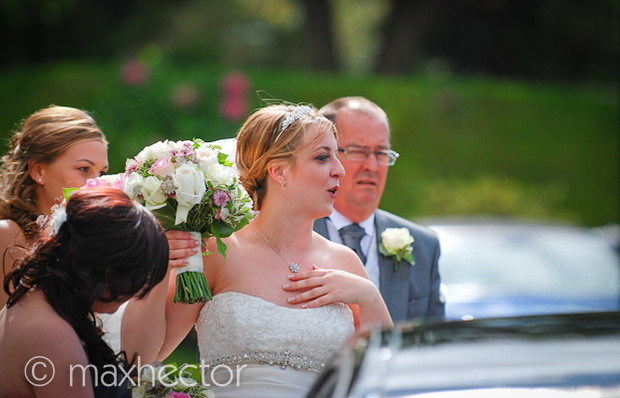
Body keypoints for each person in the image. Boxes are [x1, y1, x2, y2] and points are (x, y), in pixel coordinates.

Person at [157, 104, 393, 398]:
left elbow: (385, 378)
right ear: (279, 171)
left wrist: (368, 296)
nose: (340, 170)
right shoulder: (216, 253)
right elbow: (152, 351)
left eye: (337, 155)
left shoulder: (345, 262)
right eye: (323, 157)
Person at [0, 105, 199, 361]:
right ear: (38, 170)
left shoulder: (104, 243)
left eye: (101, 172)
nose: (96, 183)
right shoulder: (8, 236)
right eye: (84, 169)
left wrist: (158, 264)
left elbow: (138, 361)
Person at [0, 187, 170, 397]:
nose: (139, 288)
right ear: (109, 270)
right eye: (139, 276)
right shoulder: (54, 338)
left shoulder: (33, 297)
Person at [313, 97, 444, 323]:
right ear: (325, 155)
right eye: (358, 151)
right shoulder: (292, 235)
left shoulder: (424, 245)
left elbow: (435, 345)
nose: (372, 166)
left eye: (382, 153)